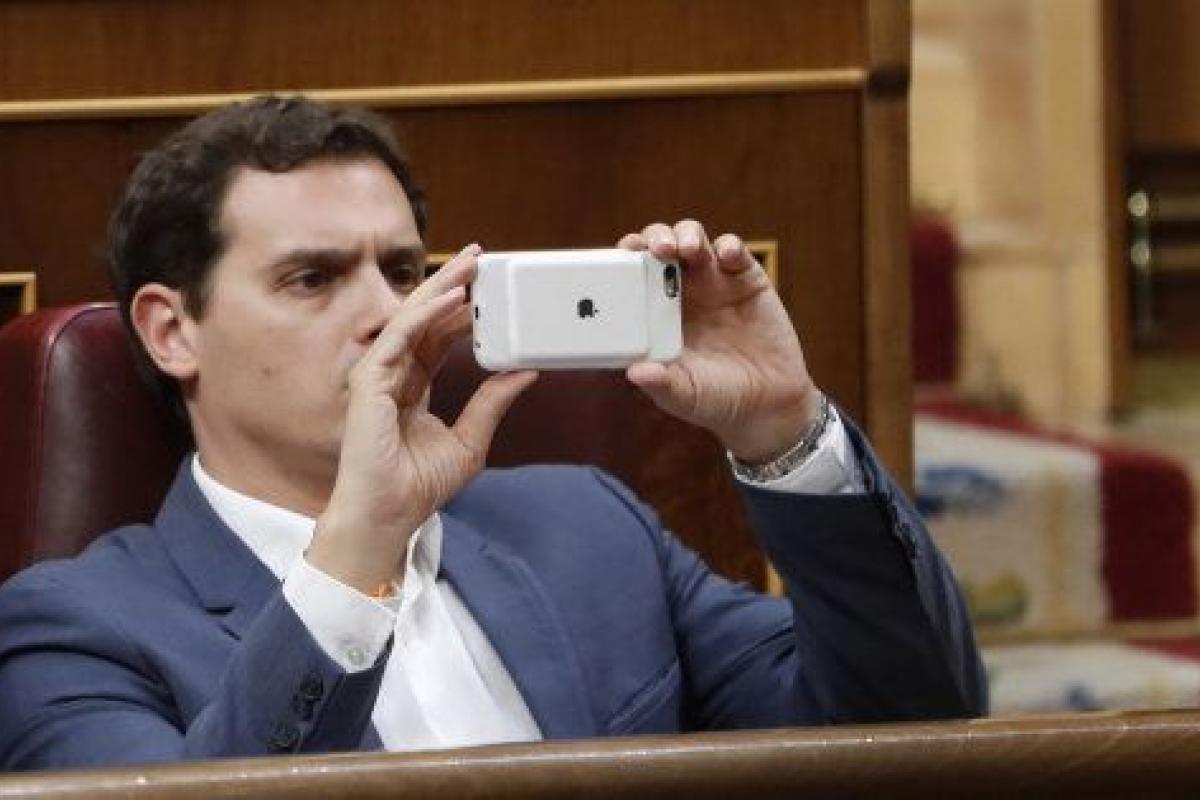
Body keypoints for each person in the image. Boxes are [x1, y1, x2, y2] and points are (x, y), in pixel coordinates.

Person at [0, 96, 985, 771]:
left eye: (402, 270)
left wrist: (784, 431)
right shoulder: (72, 629)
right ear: (172, 331)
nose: (386, 312)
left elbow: (912, 728)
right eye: (312, 278)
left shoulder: (586, 528)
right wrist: (360, 551)